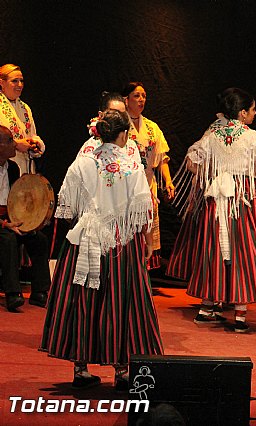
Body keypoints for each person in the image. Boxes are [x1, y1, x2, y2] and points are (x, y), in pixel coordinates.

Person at [40, 110, 163, 390]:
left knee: (83, 299)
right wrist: (145, 243)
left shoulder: (83, 161)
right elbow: (143, 212)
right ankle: (121, 370)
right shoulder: (131, 165)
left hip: (87, 239)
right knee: (120, 300)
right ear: (123, 135)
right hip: (121, 243)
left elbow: (67, 205)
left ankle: (80, 368)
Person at [170, 87, 256, 332]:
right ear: (243, 113)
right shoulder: (252, 137)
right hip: (242, 200)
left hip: (216, 199)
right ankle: (240, 314)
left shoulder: (212, 134)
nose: (255, 114)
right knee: (243, 249)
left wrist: (212, 175)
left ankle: (206, 308)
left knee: (214, 248)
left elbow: (192, 160)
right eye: (253, 110)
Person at [123, 82, 175, 269]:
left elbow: (162, 157)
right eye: (136, 96)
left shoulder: (152, 127)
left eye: (143, 95)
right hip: (126, 184)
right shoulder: (119, 125)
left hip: (147, 182)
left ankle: (142, 271)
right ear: (126, 100)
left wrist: (168, 181)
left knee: (147, 226)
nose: (141, 99)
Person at [0, 125, 50, 311]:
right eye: (10, 141)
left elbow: (16, 200)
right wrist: (5, 224)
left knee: (38, 238)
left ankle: (40, 292)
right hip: (2, 223)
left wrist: (28, 220)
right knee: (8, 239)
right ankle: (12, 293)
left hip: (10, 217)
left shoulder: (12, 168)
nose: (15, 144)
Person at [0, 64, 45, 175]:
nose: (19, 85)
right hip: (5, 169)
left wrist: (35, 145)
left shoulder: (25, 108)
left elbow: (32, 134)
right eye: (14, 81)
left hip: (25, 168)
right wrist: (16, 144)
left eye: (21, 81)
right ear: (1, 82)